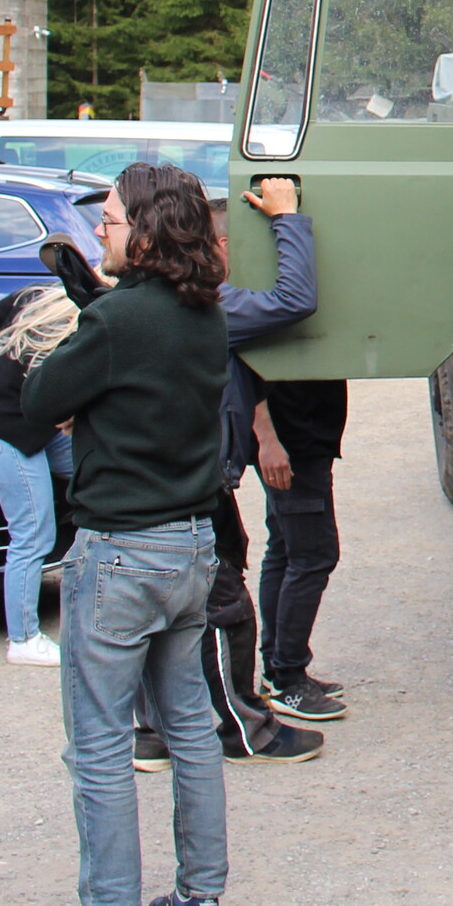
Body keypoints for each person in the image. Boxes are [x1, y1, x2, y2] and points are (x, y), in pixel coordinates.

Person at [23, 163, 229, 906]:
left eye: (107, 219)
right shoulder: (205, 315)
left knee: (100, 744)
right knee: (189, 726)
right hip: (190, 543)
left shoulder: (114, 324)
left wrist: (77, 333)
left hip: (118, 552)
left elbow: (38, 404)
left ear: (142, 230)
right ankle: (200, 896)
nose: (98, 231)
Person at [133, 180, 323, 768]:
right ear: (218, 242)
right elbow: (294, 299)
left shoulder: (142, 300)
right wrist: (288, 219)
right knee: (222, 608)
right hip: (195, 484)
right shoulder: (206, 306)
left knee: (162, 607)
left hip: (175, 481)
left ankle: (153, 732)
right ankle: (242, 729)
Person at [0, 286, 80, 665]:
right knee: (32, 533)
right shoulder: (83, 325)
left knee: (97, 463)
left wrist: (3, 357)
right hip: (2, 431)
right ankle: (23, 638)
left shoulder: (44, 296)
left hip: (21, 420)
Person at [256, 373, 349, 721]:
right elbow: (242, 370)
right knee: (314, 556)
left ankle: (276, 667)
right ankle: (287, 681)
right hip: (292, 443)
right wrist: (266, 439)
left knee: (284, 549)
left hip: (303, 438)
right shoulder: (269, 315)